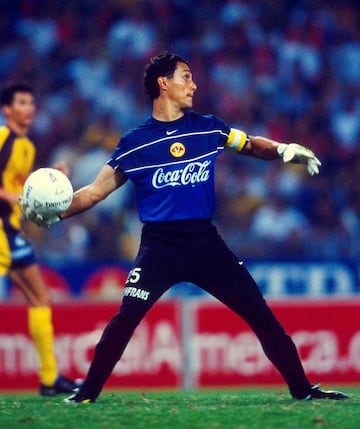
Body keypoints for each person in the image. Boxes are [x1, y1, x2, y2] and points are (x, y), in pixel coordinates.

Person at [22, 53, 348, 403]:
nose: (193, 84)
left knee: (259, 312)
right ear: (163, 83)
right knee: (125, 319)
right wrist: (57, 214)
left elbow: (251, 144)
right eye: (186, 77)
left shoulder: (208, 127)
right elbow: (95, 192)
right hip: (160, 246)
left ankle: (303, 391)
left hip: (206, 243)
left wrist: (284, 149)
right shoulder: (136, 142)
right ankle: (85, 395)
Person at [0, 82, 81, 396]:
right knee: (39, 297)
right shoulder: (3, 137)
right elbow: (11, 191)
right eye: (22, 102)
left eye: (31, 102)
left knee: (40, 298)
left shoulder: (27, 146)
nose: (29, 107)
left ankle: (49, 379)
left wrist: (51, 177)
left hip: (11, 232)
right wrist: (10, 196)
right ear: (7, 109)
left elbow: (23, 188)